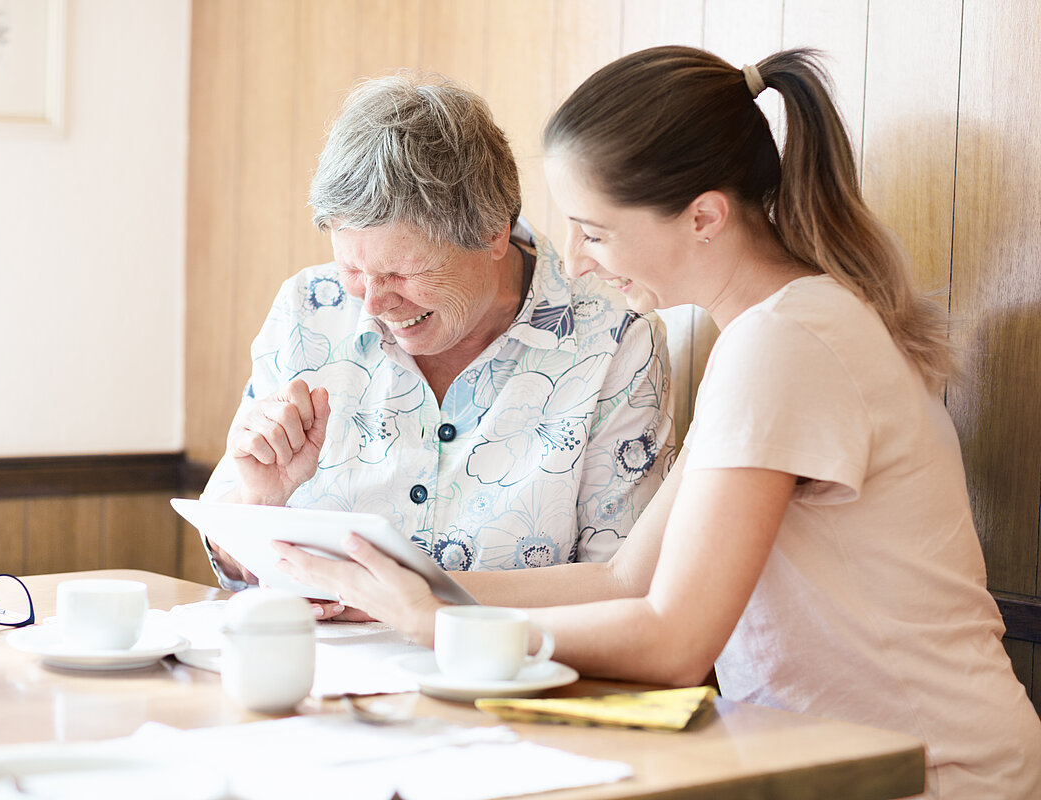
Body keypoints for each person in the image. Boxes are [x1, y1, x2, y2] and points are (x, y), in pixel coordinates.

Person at [272, 48, 1041, 797]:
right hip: (848, 758)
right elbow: (624, 580)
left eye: (596, 231)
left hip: (931, 769)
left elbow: (674, 643)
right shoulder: (775, 329)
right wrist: (410, 587)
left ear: (704, 216)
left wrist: (434, 622)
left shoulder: (785, 342)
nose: (572, 258)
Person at [201, 73, 675, 599]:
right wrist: (258, 503)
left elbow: (624, 585)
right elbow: (230, 558)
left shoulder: (613, 342)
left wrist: (417, 600)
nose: (375, 305)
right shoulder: (308, 310)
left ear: (493, 231)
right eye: (353, 270)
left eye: (402, 273)